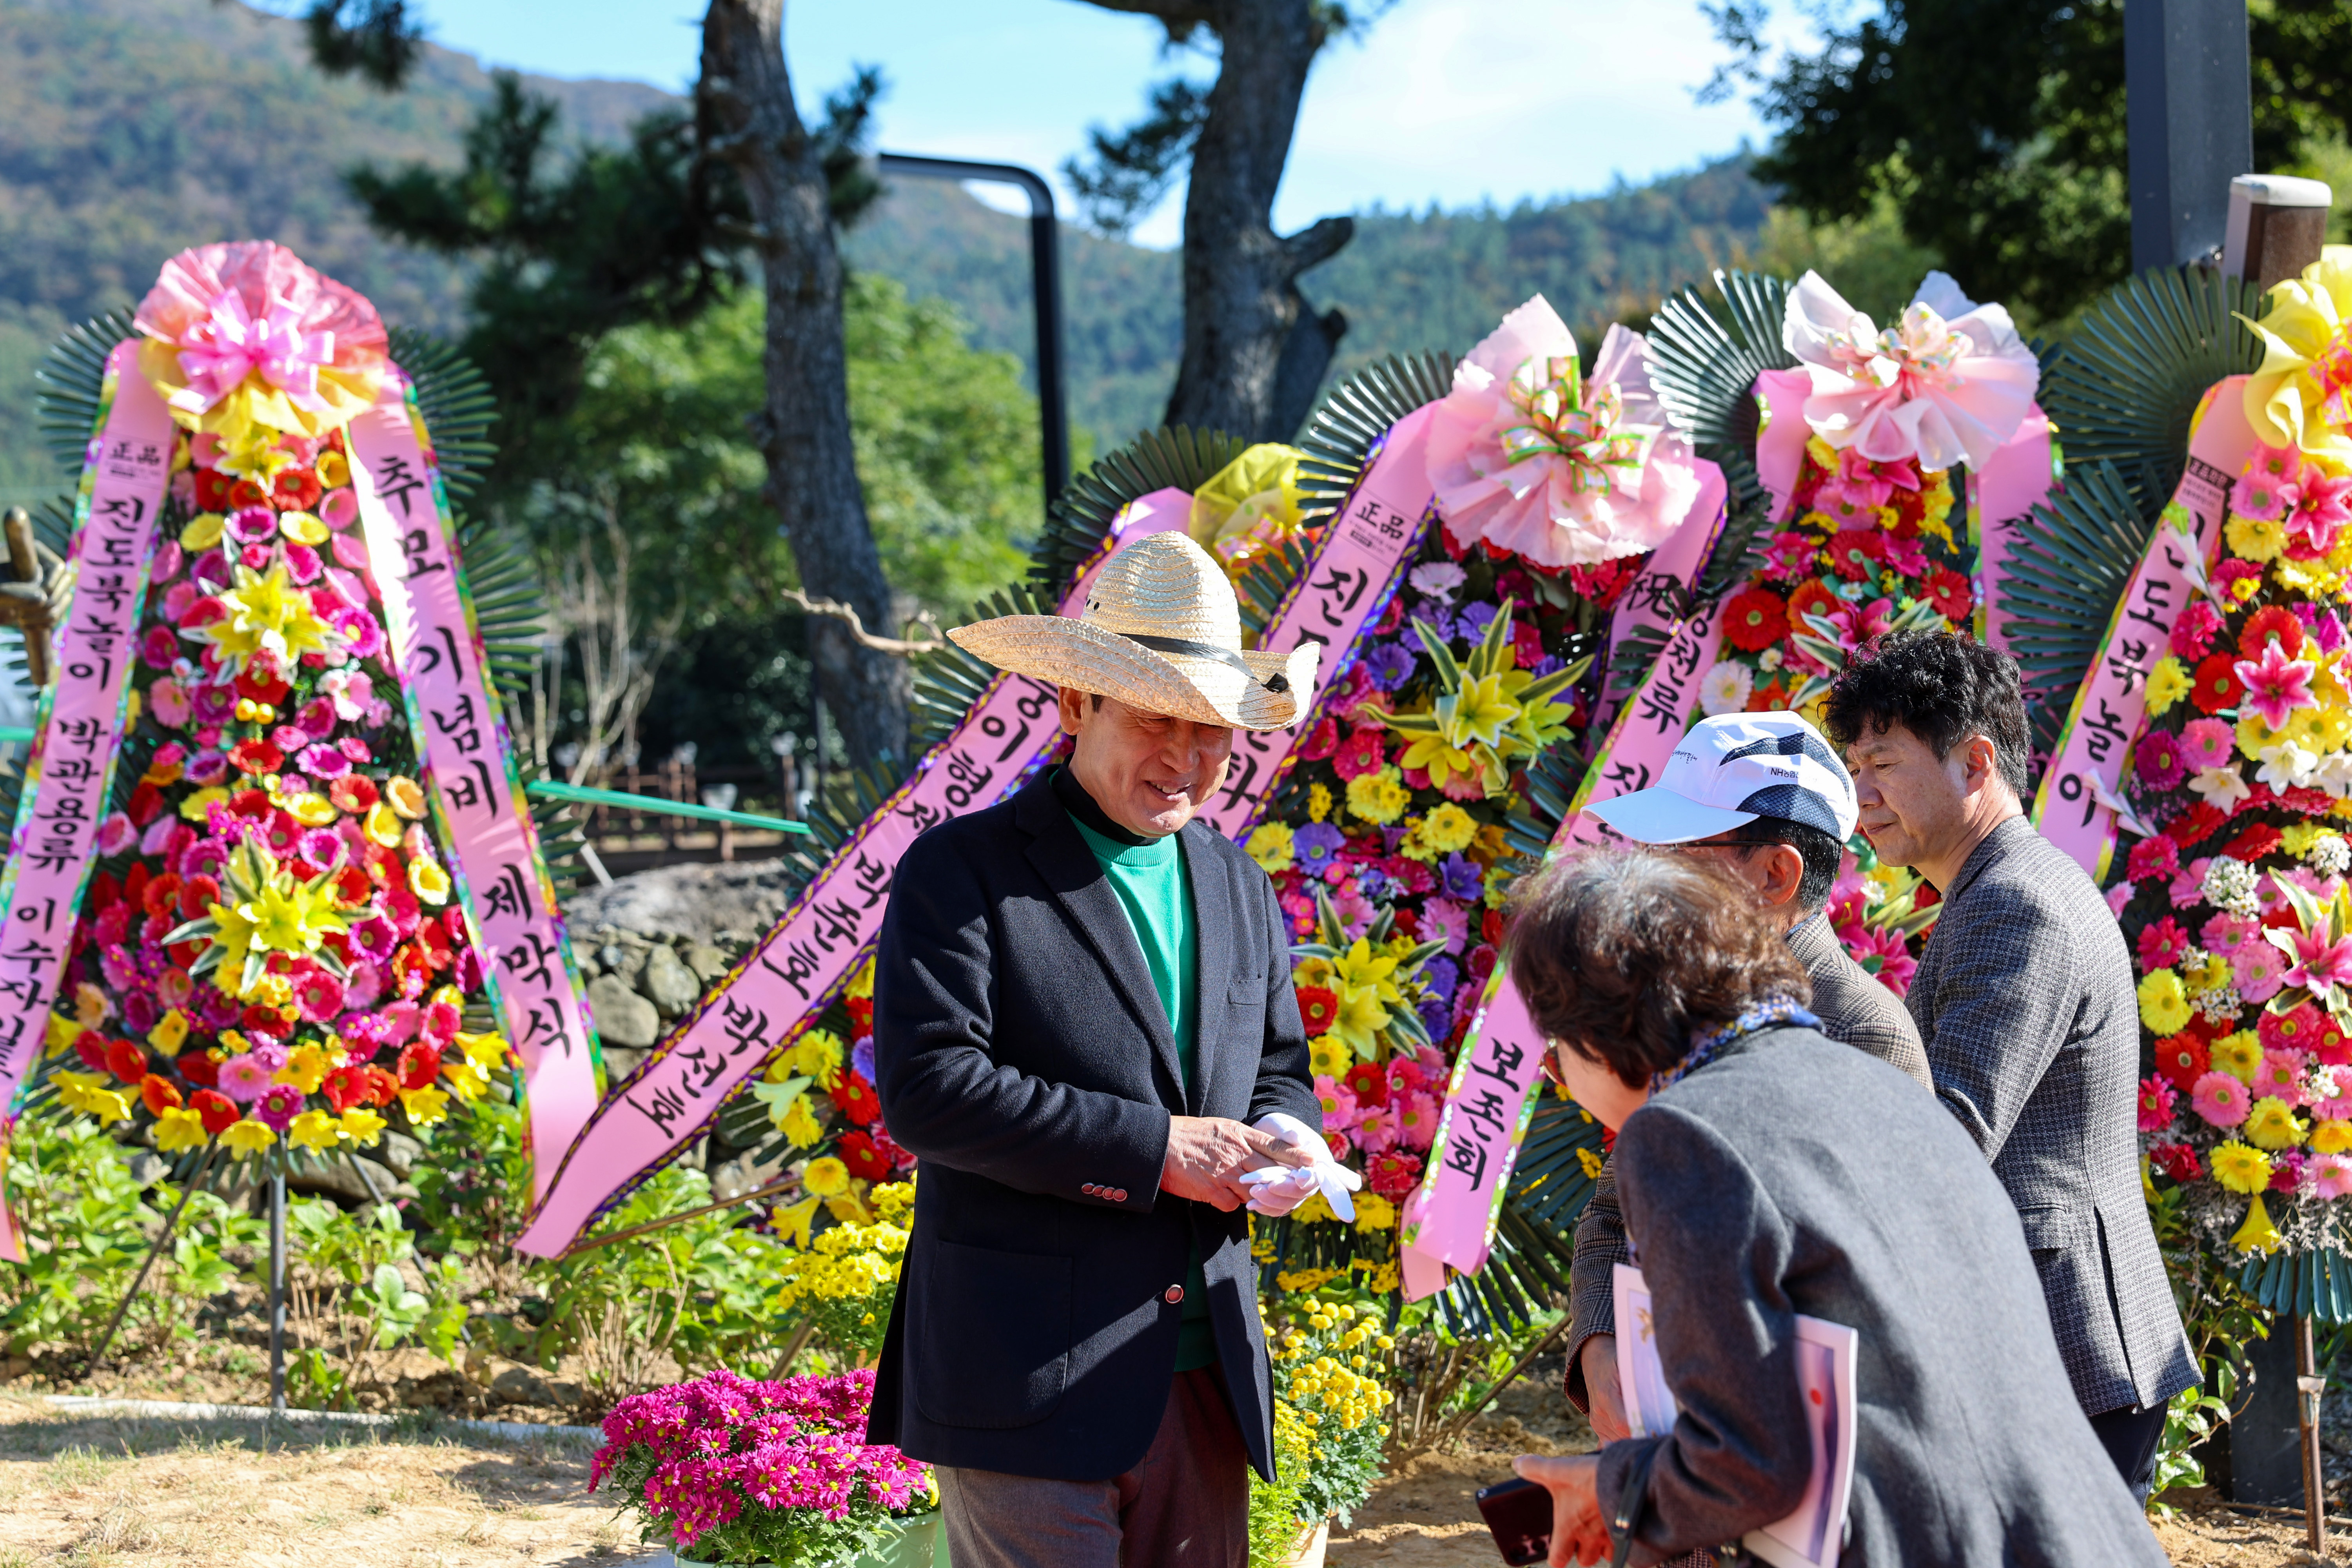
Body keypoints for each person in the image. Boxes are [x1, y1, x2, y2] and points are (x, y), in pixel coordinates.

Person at [867, 532, 1345, 1568]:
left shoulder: (1237, 884)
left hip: (1202, 1376)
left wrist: (1285, 1138)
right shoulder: (963, 872)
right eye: (1155, 720)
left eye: (1211, 731)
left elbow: (1278, 1069)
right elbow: (928, 1091)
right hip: (1025, 1375)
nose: (1184, 759)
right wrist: (1160, 1150)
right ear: (1074, 706)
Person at [1506, 850, 2167, 1567]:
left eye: (1555, 1059)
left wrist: (1616, 1491)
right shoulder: (1871, 1080)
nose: (1563, 1081)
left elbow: (1751, 1461)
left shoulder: (1684, 1132)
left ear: (1599, 1037)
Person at [1823, 630, 2196, 1500]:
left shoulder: (2014, 905)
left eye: (1882, 763)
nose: (1862, 796)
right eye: (1853, 768)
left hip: (2067, 1349)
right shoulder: (2005, 886)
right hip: (2059, 1342)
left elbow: (1945, 1134)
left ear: (1975, 760)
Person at [1562, 712, 1933, 1447]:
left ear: (1775, 874)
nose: (1650, 882)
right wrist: (1601, 1348)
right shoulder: (1691, 1006)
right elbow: (1615, 1214)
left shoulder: (1864, 1036)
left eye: (1682, 854)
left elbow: (1876, 1299)